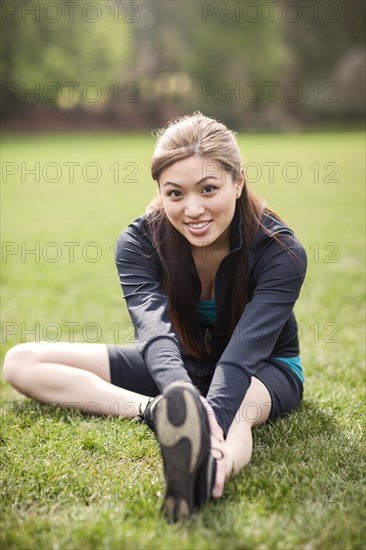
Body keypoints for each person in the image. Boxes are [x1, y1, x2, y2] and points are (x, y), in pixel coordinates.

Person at [3, 112, 307, 522]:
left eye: (208, 188)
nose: (193, 208)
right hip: (181, 364)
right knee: (21, 361)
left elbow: (245, 351)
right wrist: (178, 396)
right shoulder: (139, 242)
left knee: (235, 417)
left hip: (263, 370)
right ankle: (157, 412)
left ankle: (206, 474)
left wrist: (208, 418)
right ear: (160, 193)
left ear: (238, 182)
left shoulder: (280, 252)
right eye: (175, 193)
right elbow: (154, 332)